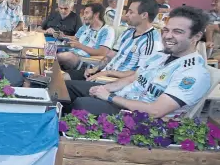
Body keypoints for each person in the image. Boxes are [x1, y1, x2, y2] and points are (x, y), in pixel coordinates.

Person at [65, 6, 210, 118]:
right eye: (166, 30)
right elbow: (135, 77)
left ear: (196, 36)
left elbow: (156, 111)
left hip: (137, 117)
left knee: (82, 104)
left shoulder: (193, 72)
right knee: (68, 87)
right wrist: (109, 88)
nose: (167, 36)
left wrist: (110, 96)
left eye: (177, 32)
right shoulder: (161, 56)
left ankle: (64, 143)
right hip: (122, 97)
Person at [64, 0, 163, 81]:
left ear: (144, 15)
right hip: (103, 73)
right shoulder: (128, 32)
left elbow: (138, 74)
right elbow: (110, 55)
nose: (127, 15)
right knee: (62, 78)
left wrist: (106, 73)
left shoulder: (152, 41)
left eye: (131, 12)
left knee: (66, 87)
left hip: (113, 81)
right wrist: (96, 69)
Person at [57, 3, 115, 70]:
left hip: (86, 61)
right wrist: (65, 39)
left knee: (60, 56)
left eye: (87, 13)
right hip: (73, 53)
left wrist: (80, 46)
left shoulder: (107, 30)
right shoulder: (85, 27)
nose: (84, 16)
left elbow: (102, 53)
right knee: (51, 49)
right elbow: (75, 39)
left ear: (96, 14)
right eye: (84, 13)